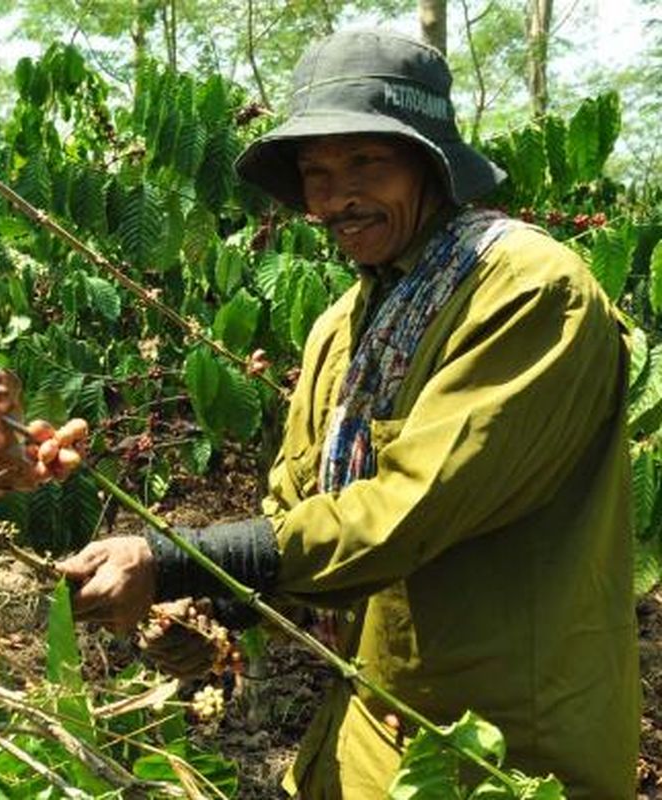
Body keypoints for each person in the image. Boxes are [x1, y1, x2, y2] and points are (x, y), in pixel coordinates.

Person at [47, 29, 640, 799]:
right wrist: (213, 607)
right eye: (316, 173)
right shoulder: (344, 323)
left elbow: (406, 511)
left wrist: (173, 560)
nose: (334, 199)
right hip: (361, 732)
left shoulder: (528, 291)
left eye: (366, 162)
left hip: (499, 751)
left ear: (431, 163)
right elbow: (298, 509)